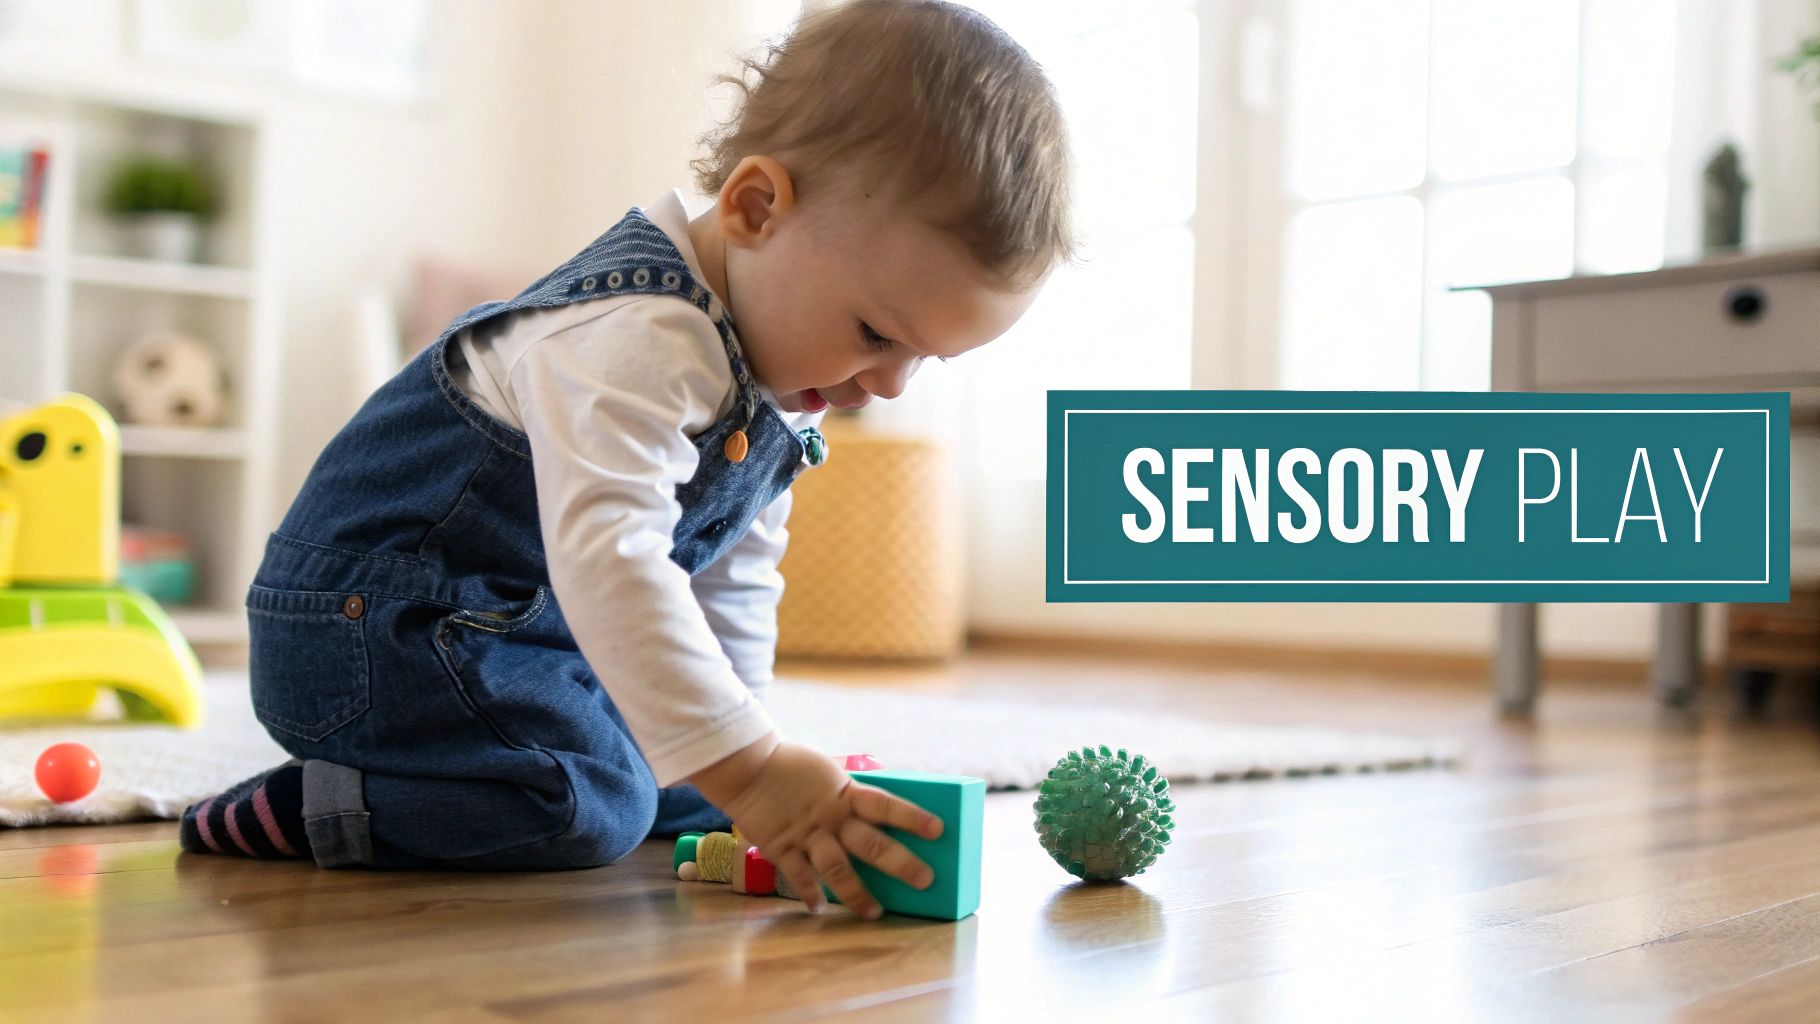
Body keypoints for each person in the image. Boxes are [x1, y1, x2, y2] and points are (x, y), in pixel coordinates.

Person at [181, 0, 1073, 921]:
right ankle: (314, 806)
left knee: (687, 784)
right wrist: (758, 771)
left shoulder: (773, 386)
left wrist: (747, 752)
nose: (887, 387)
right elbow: (614, 559)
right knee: (586, 806)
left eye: (924, 360)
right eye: (877, 333)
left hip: (506, 639)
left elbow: (733, 588)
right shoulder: (636, 335)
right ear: (757, 207)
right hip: (367, 636)